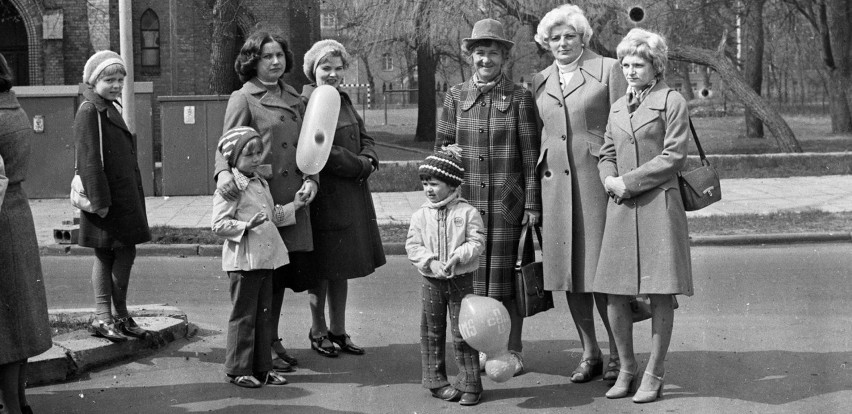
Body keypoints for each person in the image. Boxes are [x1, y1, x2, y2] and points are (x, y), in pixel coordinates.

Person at [435, 18, 541, 376]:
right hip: (466, 208)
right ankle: (478, 350)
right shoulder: (455, 96)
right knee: (471, 284)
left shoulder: (520, 98)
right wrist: (444, 201)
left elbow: (531, 158)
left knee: (507, 285)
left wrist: (531, 205)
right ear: (470, 57)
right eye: (479, 53)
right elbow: (442, 151)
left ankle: (513, 349)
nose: (485, 60)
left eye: (492, 53)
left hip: (506, 206)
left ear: (504, 57)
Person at [595, 28, 693, 403]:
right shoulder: (619, 105)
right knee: (615, 293)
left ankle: (655, 371)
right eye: (625, 63)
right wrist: (609, 180)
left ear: (656, 66)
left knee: (660, 292)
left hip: (658, 207)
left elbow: (673, 157)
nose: (630, 70)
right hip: (620, 206)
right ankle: (626, 367)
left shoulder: (672, 101)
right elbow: (605, 152)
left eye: (639, 64)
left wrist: (627, 183)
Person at [531, 4, 627, 383]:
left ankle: (620, 354)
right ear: (546, 43)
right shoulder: (539, 79)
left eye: (569, 35)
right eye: (554, 38)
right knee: (569, 274)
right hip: (554, 187)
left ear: (583, 36)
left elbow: (622, 126)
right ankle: (591, 353)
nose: (562, 43)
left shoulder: (607, 69)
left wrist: (620, 178)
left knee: (602, 273)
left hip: (595, 184)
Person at [215, 31, 317, 372]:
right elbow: (224, 146)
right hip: (261, 199)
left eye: (279, 55)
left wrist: (312, 179)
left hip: (292, 200)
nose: (275, 61)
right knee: (263, 275)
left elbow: (310, 145)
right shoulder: (243, 97)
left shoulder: (294, 97)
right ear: (252, 61)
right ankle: (262, 348)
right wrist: (224, 175)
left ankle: (271, 339)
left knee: (281, 274)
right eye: (266, 56)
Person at [300, 39, 386, 357]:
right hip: (325, 197)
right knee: (321, 269)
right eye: (326, 68)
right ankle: (317, 330)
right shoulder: (307, 102)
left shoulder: (343, 99)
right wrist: (360, 165)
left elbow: (366, 137)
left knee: (342, 267)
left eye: (338, 69)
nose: (333, 74)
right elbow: (321, 149)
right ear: (313, 70)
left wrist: (370, 157)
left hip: (351, 195)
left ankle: (338, 330)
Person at [212, 126, 305, 388]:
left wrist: (294, 205)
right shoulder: (231, 188)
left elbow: (271, 216)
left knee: (264, 315)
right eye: (248, 154)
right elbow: (218, 224)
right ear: (233, 159)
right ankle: (237, 369)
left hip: (265, 259)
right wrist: (245, 227)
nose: (255, 159)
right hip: (244, 262)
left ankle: (263, 367)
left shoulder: (260, 182)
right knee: (244, 317)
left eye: (258, 152)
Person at [74, 50, 152, 343]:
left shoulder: (107, 106)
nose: (117, 85)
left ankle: (115, 316)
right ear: (94, 81)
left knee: (114, 254)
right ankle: (106, 316)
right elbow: (88, 160)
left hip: (120, 199)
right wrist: (99, 202)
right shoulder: (89, 110)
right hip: (107, 201)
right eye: (110, 79)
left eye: (120, 79)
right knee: (113, 254)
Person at [406, 147, 486, 406]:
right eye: (425, 184)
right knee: (431, 331)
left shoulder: (467, 213)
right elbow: (412, 246)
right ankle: (436, 381)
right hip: (432, 281)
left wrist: (458, 257)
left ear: (452, 184)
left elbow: (477, 241)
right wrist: (430, 262)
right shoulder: (420, 215)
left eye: (434, 184)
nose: (428, 189)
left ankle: (471, 382)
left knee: (465, 330)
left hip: (461, 279)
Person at [0, 52, 52, 414]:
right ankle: (19, 402)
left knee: (5, 323)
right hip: (16, 210)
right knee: (17, 313)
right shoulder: (13, 109)